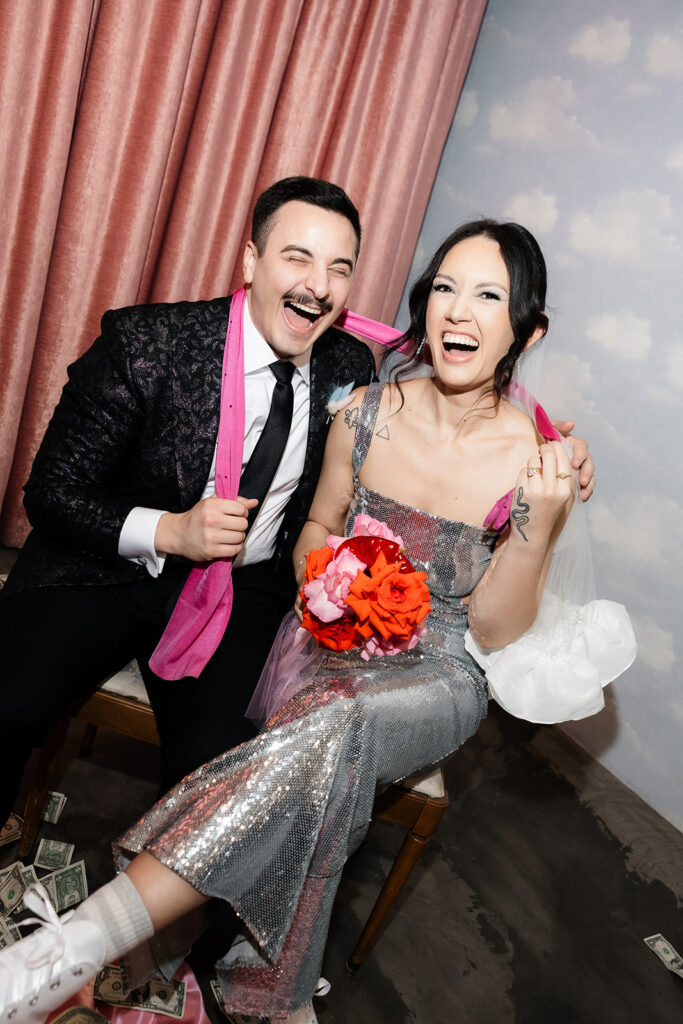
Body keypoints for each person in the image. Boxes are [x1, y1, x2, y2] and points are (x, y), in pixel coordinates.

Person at [0, 220, 628, 1024]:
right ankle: (257, 991)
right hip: (329, 634)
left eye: (487, 295)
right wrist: (325, 585)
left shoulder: (536, 462)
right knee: (326, 738)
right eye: (442, 287)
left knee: (339, 721)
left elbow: (498, 633)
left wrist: (537, 525)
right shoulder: (363, 411)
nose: (456, 313)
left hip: (439, 667)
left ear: (526, 330)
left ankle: (77, 943)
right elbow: (316, 527)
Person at [0, 178, 593, 827]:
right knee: (10, 703)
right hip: (107, 572)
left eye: (339, 268)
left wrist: (558, 446)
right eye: (296, 257)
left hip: (244, 590)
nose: (317, 284)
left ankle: (180, 905)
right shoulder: (148, 344)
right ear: (252, 261)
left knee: (225, 770)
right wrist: (169, 531)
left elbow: (445, 422)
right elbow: (51, 494)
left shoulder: (347, 368)